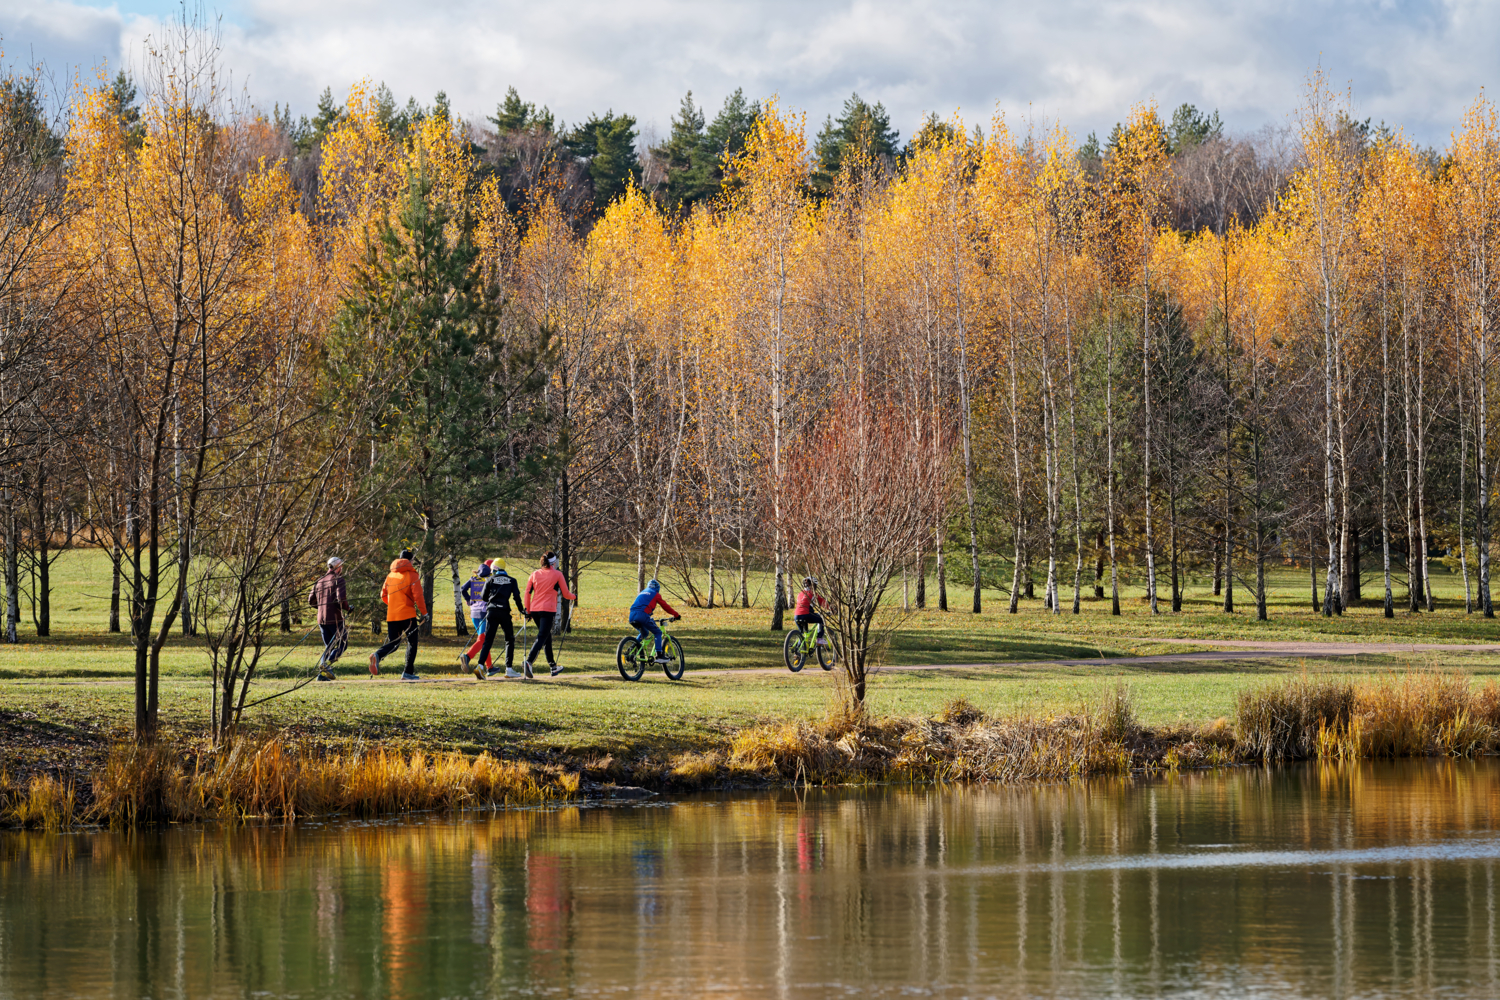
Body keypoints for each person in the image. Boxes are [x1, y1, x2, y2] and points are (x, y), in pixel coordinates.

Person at [462, 558, 527, 680]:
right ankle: (509, 669)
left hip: (491, 611)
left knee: (488, 641)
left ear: (494, 569)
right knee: (509, 640)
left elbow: (484, 596)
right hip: (504, 612)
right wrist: (522, 610)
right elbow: (517, 598)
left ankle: (480, 666)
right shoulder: (512, 580)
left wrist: (492, 599)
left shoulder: (490, 579)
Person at [369, 552, 427, 680]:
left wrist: (394, 605)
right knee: (412, 643)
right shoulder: (412, 574)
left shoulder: (391, 574)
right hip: (408, 615)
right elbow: (418, 596)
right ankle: (408, 673)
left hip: (392, 615)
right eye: (412, 561)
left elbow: (383, 595)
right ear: (410, 560)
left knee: (394, 643)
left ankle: (378, 655)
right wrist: (424, 613)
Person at [522, 552, 575, 678]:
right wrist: (575, 596)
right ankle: (528, 662)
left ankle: (553, 667)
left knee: (547, 637)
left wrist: (528, 610)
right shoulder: (557, 574)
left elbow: (527, 593)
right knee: (542, 636)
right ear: (554, 563)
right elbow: (566, 594)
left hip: (535, 610)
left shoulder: (534, 574)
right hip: (548, 610)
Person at [307, 556, 351, 681]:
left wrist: (322, 608)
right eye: (341, 566)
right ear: (338, 567)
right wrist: (348, 609)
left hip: (321, 619)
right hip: (335, 618)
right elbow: (341, 599)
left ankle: (320, 676)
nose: (342, 568)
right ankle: (326, 665)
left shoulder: (320, 581)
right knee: (343, 644)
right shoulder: (339, 580)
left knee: (329, 646)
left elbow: (311, 600)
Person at [628, 579, 681, 664]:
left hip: (631, 615)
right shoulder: (655, 594)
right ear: (657, 588)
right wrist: (676, 615)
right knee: (658, 632)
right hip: (642, 615)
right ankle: (659, 655)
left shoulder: (642, 592)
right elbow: (665, 606)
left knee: (644, 633)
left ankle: (632, 648)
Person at [459, 562, 493, 669]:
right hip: (484, 613)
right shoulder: (490, 579)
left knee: (483, 640)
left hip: (474, 612)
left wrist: (468, 600)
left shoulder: (473, 578)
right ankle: (467, 656)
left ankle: (490, 667)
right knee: (482, 640)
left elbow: (462, 589)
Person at [794, 576, 828, 642]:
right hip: (806, 614)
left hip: (796, 616)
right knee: (821, 619)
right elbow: (823, 603)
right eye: (815, 586)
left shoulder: (800, 593)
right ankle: (819, 638)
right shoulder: (813, 594)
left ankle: (798, 649)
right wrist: (833, 609)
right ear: (813, 585)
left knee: (803, 634)